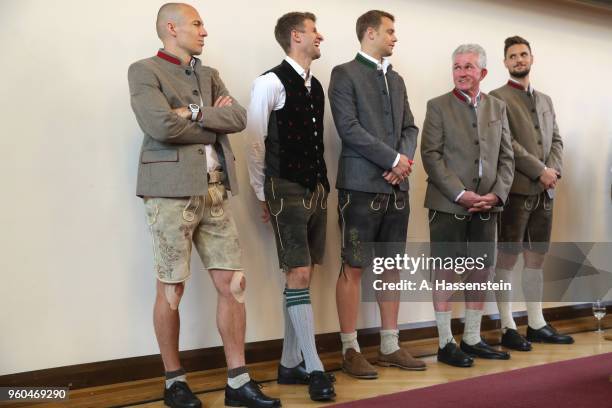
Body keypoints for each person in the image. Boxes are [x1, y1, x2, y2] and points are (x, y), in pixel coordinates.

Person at [128, 3, 280, 407]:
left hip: (215, 189)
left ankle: (238, 381)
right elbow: (160, 125)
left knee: (234, 284)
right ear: (171, 27)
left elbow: (238, 119)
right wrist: (209, 116)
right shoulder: (144, 71)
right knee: (172, 287)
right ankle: (174, 381)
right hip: (169, 191)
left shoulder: (209, 74)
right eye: (197, 24)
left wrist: (193, 111)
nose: (204, 31)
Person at [328, 10, 425, 379]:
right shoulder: (343, 73)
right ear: (370, 33)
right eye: (389, 31)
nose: (394, 37)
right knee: (353, 266)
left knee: (391, 268)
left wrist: (403, 161)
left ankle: (389, 344)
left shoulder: (397, 79)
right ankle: (350, 348)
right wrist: (393, 158)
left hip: (397, 188)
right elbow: (348, 128)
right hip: (359, 187)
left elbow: (411, 126)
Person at [246, 11, 335, 402]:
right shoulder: (269, 82)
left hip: (316, 188)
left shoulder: (315, 85)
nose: (321, 37)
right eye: (315, 31)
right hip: (285, 186)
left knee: (304, 273)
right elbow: (254, 140)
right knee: (298, 271)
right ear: (296, 36)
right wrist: (263, 193)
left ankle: (288, 364)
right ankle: (314, 368)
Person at [421, 44, 514, 367]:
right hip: (448, 205)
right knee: (445, 273)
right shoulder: (437, 106)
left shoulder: (498, 108)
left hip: (488, 206)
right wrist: (460, 194)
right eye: (457, 67)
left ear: (483, 73)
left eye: (469, 67)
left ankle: (472, 338)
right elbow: (430, 156)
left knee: (480, 270)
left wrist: (498, 194)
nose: (461, 72)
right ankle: (446, 343)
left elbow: (507, 158)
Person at [491, 36, 573, 349]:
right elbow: (506, 143)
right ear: (505, 63)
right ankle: (507, 326)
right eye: (512, 56)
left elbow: (557, 141)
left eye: (523, 54)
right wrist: (540, 171)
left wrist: (553, 172)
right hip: (515, 192)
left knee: (536, 258)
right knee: (507, 258)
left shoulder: (546, 100)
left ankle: (536, 322)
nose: (519, 60)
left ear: (531, 58)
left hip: (546, 193)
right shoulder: (496, 99)